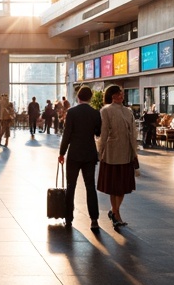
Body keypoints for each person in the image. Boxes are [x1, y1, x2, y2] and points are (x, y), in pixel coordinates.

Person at [58, 87, 103, 231]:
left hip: (74, 154)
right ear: (90, 98)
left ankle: (69, 218)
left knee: (71, 186)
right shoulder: (95, 113)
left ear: (78, 97)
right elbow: (98, 132)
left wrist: (62, 153)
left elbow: (67, 135)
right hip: (89, 154)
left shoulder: (71, 112)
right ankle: (94, 219)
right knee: (90, 186)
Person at [97, 86, 139, 231]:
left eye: (121, 93)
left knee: (122, 186)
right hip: (112, 152)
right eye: (117, 94)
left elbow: (133, 132)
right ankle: (116, 213)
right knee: (114, 186)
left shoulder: (128, 111)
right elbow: (103, 133)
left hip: (127, 152)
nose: (120, 96)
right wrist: (100, 151)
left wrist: (135, 152)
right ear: (111, 96)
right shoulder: (106, 110)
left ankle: (114, 210)